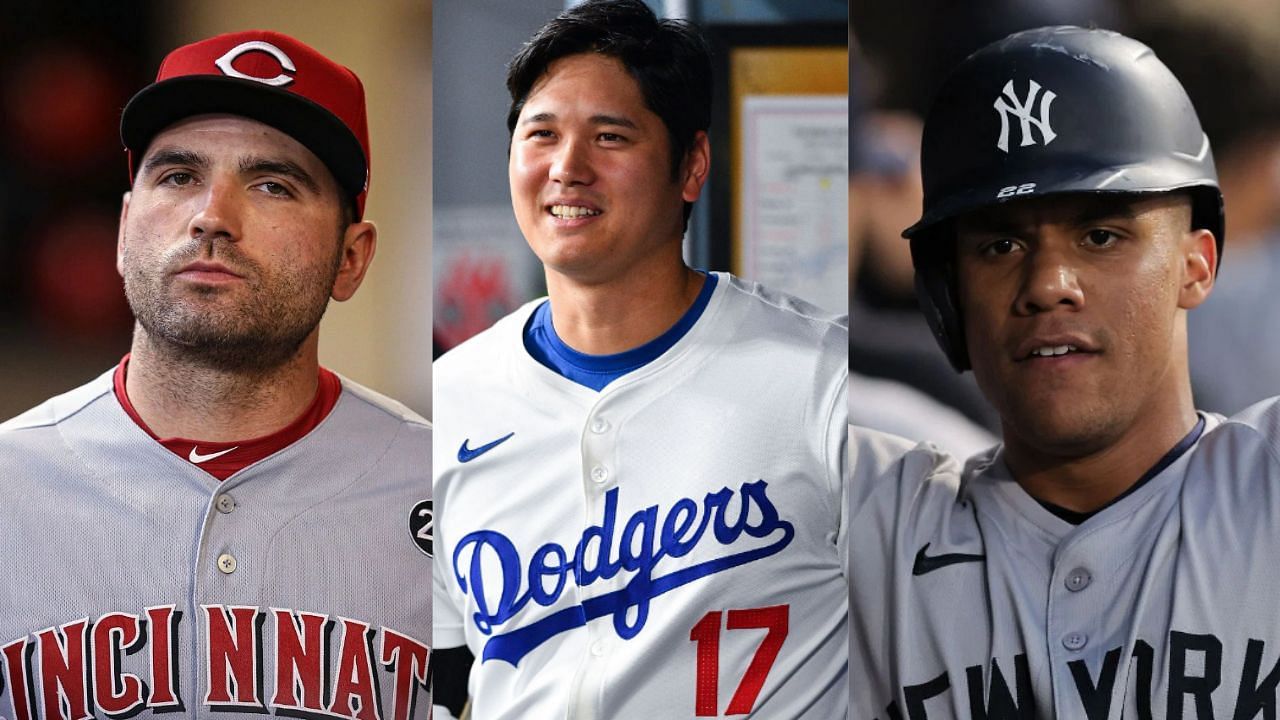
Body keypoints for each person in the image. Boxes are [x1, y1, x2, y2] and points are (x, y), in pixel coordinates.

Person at [432, 1, 848, 718]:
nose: (568, 168)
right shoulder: (449, 401)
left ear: (692, 166)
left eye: (610, 136)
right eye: (542, 134)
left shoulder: (821, 376)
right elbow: (440, 680)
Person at [851, 26, 1280, 717]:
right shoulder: (880, 530)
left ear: (1196, 264)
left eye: (1101, 236)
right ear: (948, 293)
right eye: (1000, 243)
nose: (1048, 282)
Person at [0, 31, 431, 719]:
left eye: (272, 184)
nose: (211, 217)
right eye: (177, 176)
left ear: (351, 258)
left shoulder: (449, 490)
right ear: (122, 229)